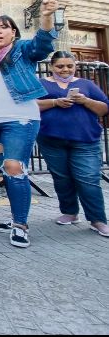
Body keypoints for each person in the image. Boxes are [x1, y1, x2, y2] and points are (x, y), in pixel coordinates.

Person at [0, 0, 59, 248]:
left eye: (4, 27)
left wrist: (46, 17)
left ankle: (21, 225)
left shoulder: (22, 50)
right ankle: (14, 218)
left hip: (19, 121)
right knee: (6, 172)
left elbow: (43, 45)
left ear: (14, 33)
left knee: (14, 168)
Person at [36, 51, 109, 237]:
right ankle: (70, 212)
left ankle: (97, 219)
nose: (65, 69)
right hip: (51, 139)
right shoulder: (42, 83)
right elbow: (29, 104)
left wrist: (85, 100)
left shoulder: (86, 85)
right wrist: (55, 102)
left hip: (85, 140)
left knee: (88, 179)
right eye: (60, 66)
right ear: (52, 67)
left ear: (75, 66)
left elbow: (104, 108)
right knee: (61, 178)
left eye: (69, 65)